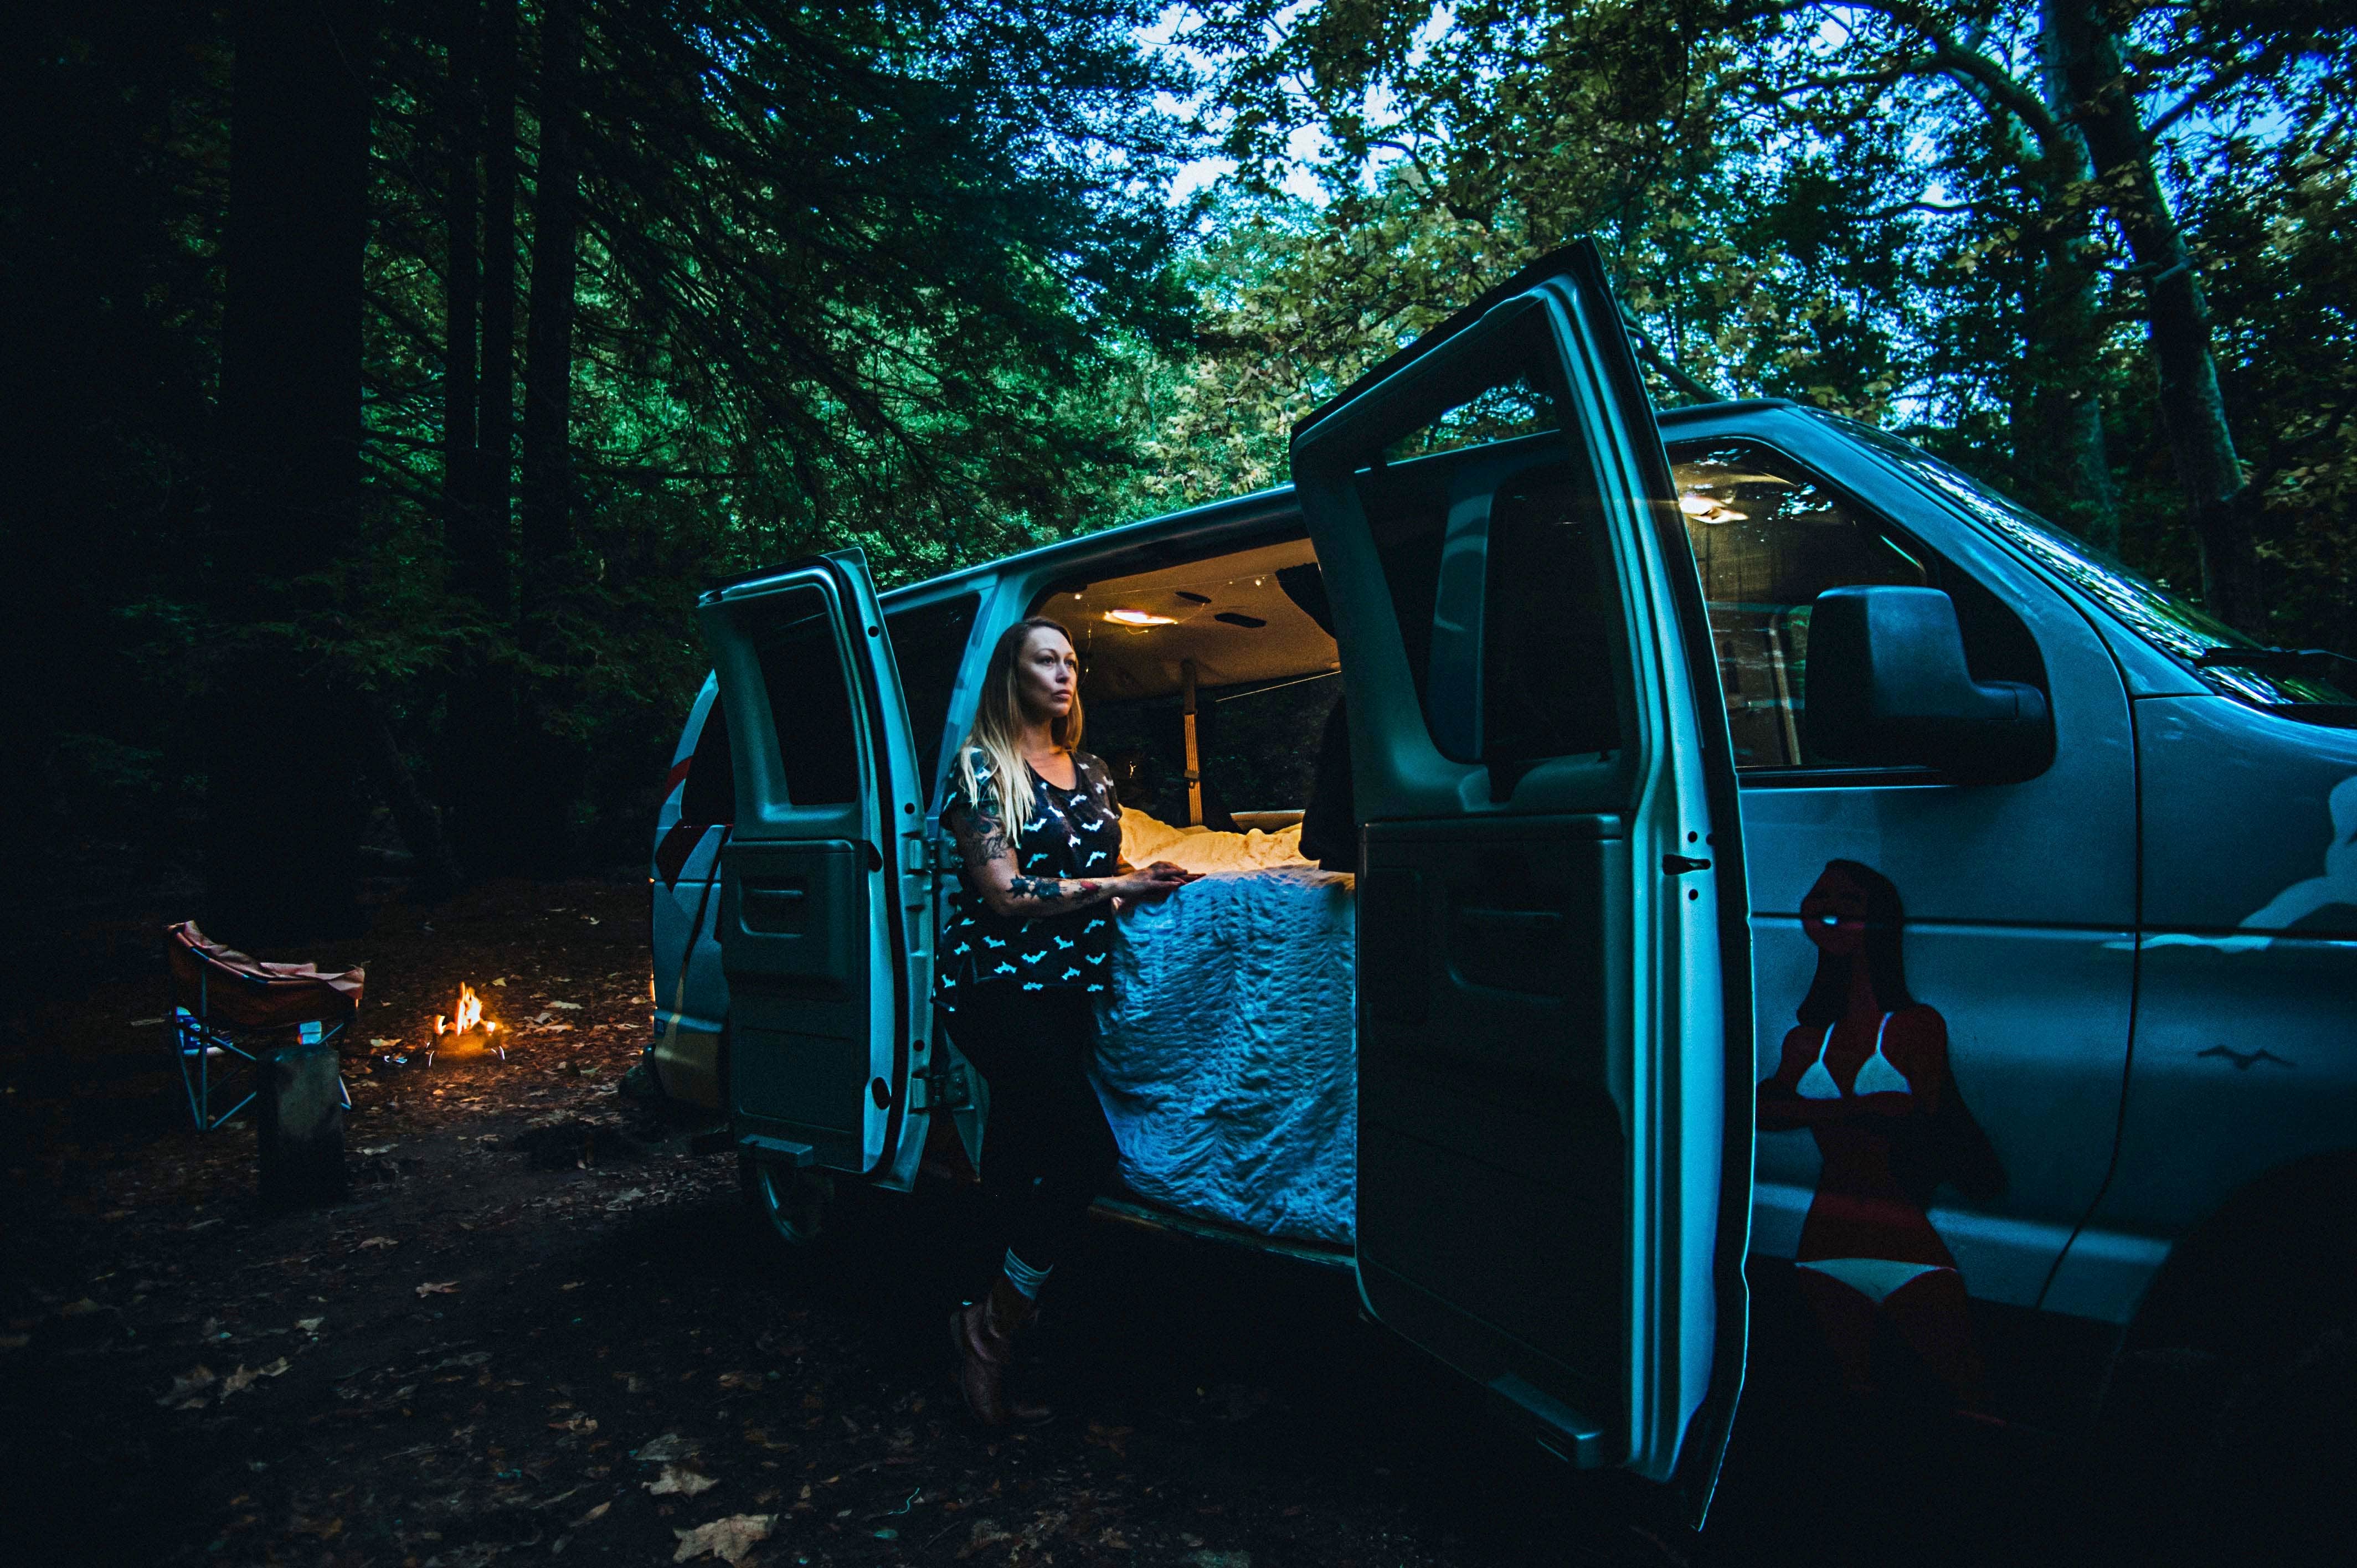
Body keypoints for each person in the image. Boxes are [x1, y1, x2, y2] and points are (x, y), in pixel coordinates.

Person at [938, 616, 1196, 1425]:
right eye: (1045, 660)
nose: (1064, 674)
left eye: (1072, 662)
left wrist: (1144, 881)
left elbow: (1097, 867)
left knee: (1017, 1162)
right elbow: (1007, 894)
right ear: (1011, 675)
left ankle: (997, 1344)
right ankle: (988, 1330)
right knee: (1086, 1153)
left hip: (1068, 991)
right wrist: (1120, 890)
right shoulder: (983, 768)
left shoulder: (1090, 770)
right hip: (994, 990)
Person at [1757, 859, 2001, 1408]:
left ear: (1880, 917)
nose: (1828, 907)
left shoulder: (1917, 1026)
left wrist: (1809, 1109)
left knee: (1971, 1397)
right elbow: (1764, 1112)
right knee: (1848, 1399)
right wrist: (1856, 1108)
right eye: (1819, 896)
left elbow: (1913, 1115)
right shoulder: (1805, 1039)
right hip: (1823, 1244)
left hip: (1906, 1243)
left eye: (1848, 899)